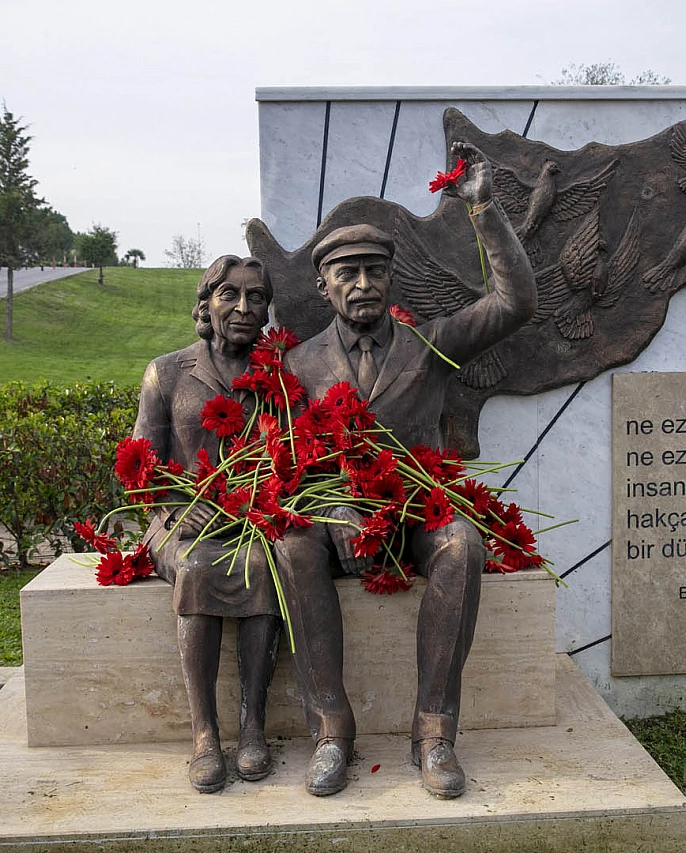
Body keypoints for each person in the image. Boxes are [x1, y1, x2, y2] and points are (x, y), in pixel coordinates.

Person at [274, 141, 537, 799]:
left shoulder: (431, 344)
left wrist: (483, 209)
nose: (363, 284)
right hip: (338, 521)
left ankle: (434, 734)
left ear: (391, 280)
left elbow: (515, 303)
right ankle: (331, 731)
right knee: (291, 546)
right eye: (348, 273)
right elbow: (291, 464)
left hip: (416, 511)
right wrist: (333, 507)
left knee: (462, 543)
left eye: (375, 271)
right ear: (323, 285)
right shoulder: (297, 365)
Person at [132, 255, 281, 794]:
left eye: (256, 297)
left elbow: (289, 459)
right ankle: (205, 736)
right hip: (177, 522)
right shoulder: (167, 371)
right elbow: (139, 463)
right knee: (196, 568)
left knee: (264, 567)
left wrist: (260, 503)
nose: (243, 308)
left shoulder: (278, 377)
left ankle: (252, 726)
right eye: (229, 295)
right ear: (206, 304)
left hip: (249, 522)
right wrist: (176, 508)